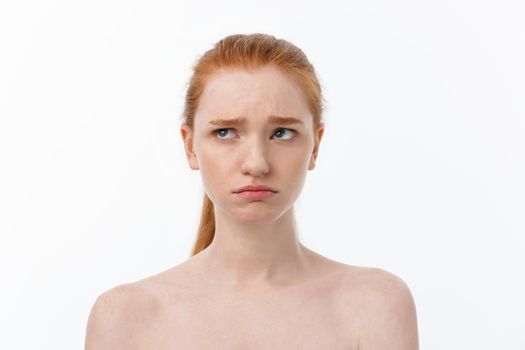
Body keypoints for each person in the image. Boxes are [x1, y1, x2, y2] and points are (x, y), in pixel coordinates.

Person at [85, 33, 419, 349]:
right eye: (226, 132)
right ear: (190, 146)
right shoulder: (126, 318)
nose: (256, 163)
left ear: (315, 146)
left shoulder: (374, 305)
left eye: (282, 133)